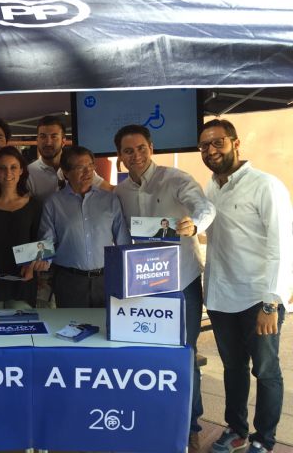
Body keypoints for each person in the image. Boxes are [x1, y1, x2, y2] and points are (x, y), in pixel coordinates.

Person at [113, 124, 216, 449]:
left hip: (181, 283)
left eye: (141, 148)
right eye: (128, 150)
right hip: (142, 285)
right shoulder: (121, 192)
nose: (136, 155)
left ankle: (190, 425)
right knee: (145, 354)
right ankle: (153, 417)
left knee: (184, 354)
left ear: (151, 147)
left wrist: (194, 224)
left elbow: (204, 207)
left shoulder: (176, 179)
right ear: (120, 156)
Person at [199, 119, 291, 453]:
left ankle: (264, 439)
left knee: (266, 372)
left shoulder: (266, 185)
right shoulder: (211, 188)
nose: (210, 150)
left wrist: (272, 302)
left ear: (235, 143)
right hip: (222, 299)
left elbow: (282, 247)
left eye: (217, 142)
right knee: (233, 369)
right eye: (204, 146)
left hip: (258, 299)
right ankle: (236, 430)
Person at [39, 146, 130, 308]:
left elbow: (123, 241)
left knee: (106, 329)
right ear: (66, 172)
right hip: (69, 281)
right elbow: (47, 242)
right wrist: (39, 261)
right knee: (71, 328)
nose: (88, 172)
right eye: (80, 167)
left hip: (107, 279)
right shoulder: (53, 203)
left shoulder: (110, 200)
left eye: (90, 166)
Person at [0, 146, 49, 310]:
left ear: (21, 170)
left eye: (13, 167)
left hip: (23, 280)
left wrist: (33, 267)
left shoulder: (34, 205)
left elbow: (41, 241)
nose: (8, 173)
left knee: (19, 333)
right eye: (2, 168)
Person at [27, 115, 110, 202]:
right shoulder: (29, 173)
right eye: (43, 136)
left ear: (63, 141)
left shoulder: (80, 165)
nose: (48, 142)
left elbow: (109, 189)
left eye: (54, 136)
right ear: (37, 140)